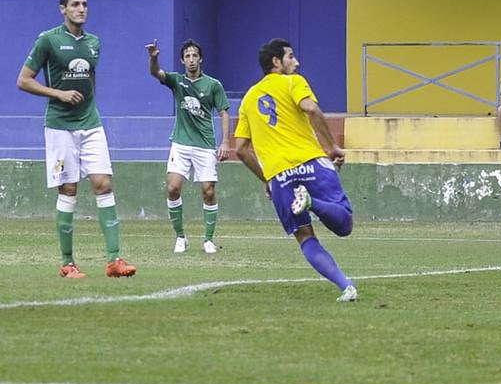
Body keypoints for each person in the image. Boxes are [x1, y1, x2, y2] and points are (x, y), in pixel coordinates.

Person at [17, 0, 137, 279]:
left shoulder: (94, 43)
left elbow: (91, 80)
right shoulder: (48, 39)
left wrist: (88, 105)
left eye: (84, 4)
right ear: (63, 9)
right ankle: (68, 262)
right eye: (75, 4)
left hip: (91, 124)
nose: (81, 9)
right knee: (69, 189)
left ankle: (114, 260)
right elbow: (23, 80)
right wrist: (58, 93)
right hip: (60, 127)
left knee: (103, 184)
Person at [233, 38, 357, 302]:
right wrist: (332, 146)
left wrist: (267, 177)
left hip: (280, 176)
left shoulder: (248, 99)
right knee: (344, 224)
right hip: (311, 162)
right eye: (291, 57)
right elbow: (311, 108)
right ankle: (312, 202)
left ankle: (346, 286)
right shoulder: (293, 82)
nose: (296, 62)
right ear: (277, 62)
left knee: (304, 236)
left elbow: (241, 149)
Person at [146, 38, 233, 253]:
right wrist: (153, 58)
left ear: (201, 58)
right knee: (173, 188)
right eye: (187, 56)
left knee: (208, 191)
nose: (192, 59)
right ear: (182, 60)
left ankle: (208, 240)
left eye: (195, 55)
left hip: (205, 145)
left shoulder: (213, 85)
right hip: (181, 143)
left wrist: (225, 141)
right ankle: (180, 237)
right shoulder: (177, 81)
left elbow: (223, 112)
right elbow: (156, 73)